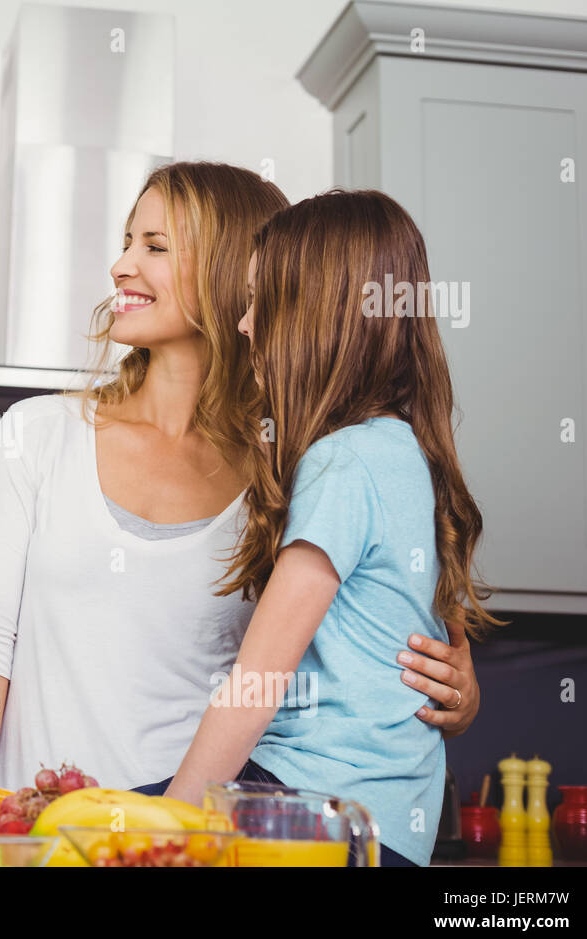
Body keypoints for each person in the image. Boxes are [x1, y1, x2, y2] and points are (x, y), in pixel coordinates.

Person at [0, 164, 480, 796]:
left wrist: (458, 691)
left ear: (242, 278)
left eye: (156, 247)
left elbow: (397, 621)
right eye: (127, 241)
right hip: (37, 832)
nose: (121, 266)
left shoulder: (296, 466)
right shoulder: (36, 434)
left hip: (201, 832)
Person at [163, 189, 499, 867]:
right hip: (391, 829)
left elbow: (254, 687)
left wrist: (166, 831)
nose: (245, 324)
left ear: (316, 317)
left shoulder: (341, 461)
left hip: (316, 812)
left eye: (260, 302)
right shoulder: (404, 452)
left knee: (84, 832)